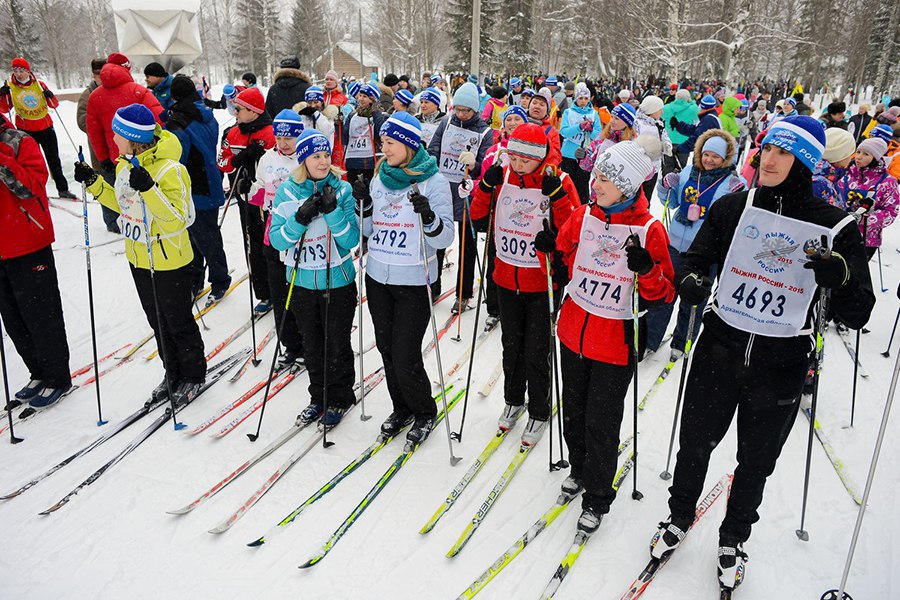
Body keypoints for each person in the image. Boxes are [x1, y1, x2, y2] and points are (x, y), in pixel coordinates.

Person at [647, 116, 875, 594]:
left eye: (782, 153)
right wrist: (690, 278)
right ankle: (679, 515)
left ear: (805, 162)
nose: (767, 160)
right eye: (766, 148)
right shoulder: (734, 205)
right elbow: (697, 257)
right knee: (695, 442)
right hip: (720, 346)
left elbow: (859, 310)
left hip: (781, 363)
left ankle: (732, 538)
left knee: (756, 460)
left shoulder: (834, 225)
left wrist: (841, 277)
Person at [555, 134, 674, 534]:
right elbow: (564, 253)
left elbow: (663, 293)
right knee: (573, 411)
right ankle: (579, 469)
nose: (596, 183)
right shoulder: (583, 214)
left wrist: (647, 269)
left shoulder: (649, 229)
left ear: (627, 186)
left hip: (615, 342)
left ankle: (598, 496)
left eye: (606, 179)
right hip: (573, 330)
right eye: (598, 175)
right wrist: (552, 254)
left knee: (601, 421)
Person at [74, 104, 206, 406]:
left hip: (170, 260)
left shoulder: (171, 170)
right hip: (139, 258)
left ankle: (194, 374)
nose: (113, 138)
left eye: (117, 133)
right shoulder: (123, 166)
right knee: (156, 321)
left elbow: (177, 218)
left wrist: (149, 188)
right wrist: (94, 183)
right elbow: (124, 206)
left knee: (178, 321)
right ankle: (172, 372)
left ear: (132, 137)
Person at [470, 123, 579, 445]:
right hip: (506, 276)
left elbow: (573, 225)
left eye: (524, 160)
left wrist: (555, 208)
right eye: (513, 158)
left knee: (537, 350)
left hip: (541, 280)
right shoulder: (501, 176)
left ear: (540, 158)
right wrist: (485, 188)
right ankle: (513, 400)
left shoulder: (558, 180)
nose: (517, 165)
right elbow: (478, 216)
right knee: (511, 347)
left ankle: (540, 409)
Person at [354, 112, 454, 444]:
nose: (383, 149)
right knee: (385, 348)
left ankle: (425, 410)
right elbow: (367, 231)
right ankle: (402, 407)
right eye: (382, 142)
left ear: (409, 145)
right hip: (378, 277)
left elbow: (444, 238)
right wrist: (364, 206)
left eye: (390, 143)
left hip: (414, 280)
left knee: (405, 352)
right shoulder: (380, 176)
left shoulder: (433, 181)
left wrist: (428, 215)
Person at [269, 128, 359, 427]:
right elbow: (277, 240)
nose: (322, 162)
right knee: (312, 344)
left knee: (336, 342)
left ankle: (340, 396)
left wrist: (332, 212)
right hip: (302, 281)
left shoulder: (342, 189)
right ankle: (318, 397)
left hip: (338, 280)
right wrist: (299, 218)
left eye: (325, 156)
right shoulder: (287, 191)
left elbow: (351, 240)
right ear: (303, 159)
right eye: (314, 156)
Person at [645, 129, 746, 356]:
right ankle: (650, 340)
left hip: (705, 251)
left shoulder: (732, 182)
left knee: (692, 300)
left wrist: (740, 195)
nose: (709, 160)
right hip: (674, 245)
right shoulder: (689, 171)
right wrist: (666, 185)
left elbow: (735, 218)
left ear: (725, 159)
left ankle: (682, 342)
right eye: (706, 154)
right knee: (664, 294)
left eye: (715, 156)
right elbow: (669, 203)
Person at [0, 112, 72, 408]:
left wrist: (3, 159)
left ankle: (58, 377)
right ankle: (38, 372)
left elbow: (31, 187)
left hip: (28, 241)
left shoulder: (19, 141)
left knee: (42, 314)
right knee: (14, 319)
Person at [164, 75, 231, 306]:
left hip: (194, 187)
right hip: (208, 180)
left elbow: (175, 159)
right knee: (202, 236)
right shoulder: (205, 114)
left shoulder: (178, 124)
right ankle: (198, 278)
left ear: (174, 97)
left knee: (201, 237)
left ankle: (218, 279)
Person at [427, 82, 494, 309]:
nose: (462, 114)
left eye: (466, 110)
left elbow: (485, 165)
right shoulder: (446, 123)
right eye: (458, 109)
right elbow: (433, 149)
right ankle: (432, 286)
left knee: (466, 245)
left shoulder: (484, 131)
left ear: (475, 110)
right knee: (437, 240)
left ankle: (463, 294)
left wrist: (474, 164)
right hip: (443, 189)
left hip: (466, 192)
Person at [251, 109, 307, 371]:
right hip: (272, 235)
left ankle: (308, 345)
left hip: (300, 237)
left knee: (299, 295)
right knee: (279, 293)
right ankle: (290, 344)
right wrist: (250, 194)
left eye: (290, 137)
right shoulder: (266, 159)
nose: (284, 143)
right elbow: (258, 191)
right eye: (280, 136)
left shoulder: (305, 159)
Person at [87, 52, 164, 233]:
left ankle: (119, 222)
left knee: (119, 191)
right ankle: (145, 220)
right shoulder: (137, 90)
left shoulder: (95, 96)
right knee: (144, 190)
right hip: (143, 152)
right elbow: (159, 120)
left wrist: (103, 157)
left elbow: (94, 131)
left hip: (117, 155)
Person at [217, 86, 276, 314]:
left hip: (268, 200)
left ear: (254, 111)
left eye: (239, 108)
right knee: (252, 246)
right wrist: (239, 158)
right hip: (245, 198)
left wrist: (262, 157)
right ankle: (264, 293)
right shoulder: (232, 133)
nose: (235, 112)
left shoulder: (271, 133)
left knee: (271, 245)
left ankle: (280, 288)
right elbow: (222, 162)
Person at [0, 58, 76, 199]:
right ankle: (36, 191)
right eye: (15, 71)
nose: (19, 74)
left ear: (28, 71)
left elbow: (54, 105)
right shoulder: (11, 87)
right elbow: (4, 109)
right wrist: (2, 95)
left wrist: (50, 95)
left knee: (54, 159)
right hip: (26, 131)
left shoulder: (39, 85)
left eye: (22, 71)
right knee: (33, 164)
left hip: (45, 127)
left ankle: (63, 189)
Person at [833, 135, 899, 260]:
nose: (859, 157)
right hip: (841, 233)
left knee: (854, 275)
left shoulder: (887, 182)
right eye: (858, 152)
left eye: (866, 154)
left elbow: (891, 212)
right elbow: (835, 200)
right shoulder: (847, 175)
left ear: (876, 157)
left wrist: (866, 219)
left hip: (867, 240)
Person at [559, 82, 602, 203]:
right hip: (568, 154)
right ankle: (567, 206)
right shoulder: (568, 112)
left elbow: (599, 135)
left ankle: (582, 209)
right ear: (576, 98)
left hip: (585, 155)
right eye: (580, 98)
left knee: (582, 185)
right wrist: (579, 127)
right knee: (568, 183)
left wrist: (591, 129)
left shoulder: (594, 114)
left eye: (586, 98)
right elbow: (564, 132)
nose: (583, 101)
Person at [342, 83, 387, 184]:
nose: (361, 99)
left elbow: (380, 134)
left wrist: (376, 111)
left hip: (369, 161)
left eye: (365, 96)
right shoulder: (352, 115)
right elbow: (344, 138)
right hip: (352, 160)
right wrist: (338, 124)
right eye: (360, 96)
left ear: (372, 99)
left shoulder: (378, 114)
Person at [579, 103, 636, 174]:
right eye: (611, 117)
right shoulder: (604, 136)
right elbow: (588, 165)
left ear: (627, 122)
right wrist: (583, 157)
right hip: (598, 182)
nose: (612, 121)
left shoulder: (634, 143)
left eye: (616, 118)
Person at [634, 95, 672, 198]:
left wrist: (665, 146)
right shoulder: (637, 124)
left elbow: (667, 141)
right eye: (660, 109)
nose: (662, 112)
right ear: (652, 110)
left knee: (647, 197)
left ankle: (645, 211)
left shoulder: (658, 125)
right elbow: (633, 144)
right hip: (638, 167)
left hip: (654, 168)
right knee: (635, 197)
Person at [812, 127, 857, 208]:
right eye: (850, 154)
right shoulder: (821, 183)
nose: (852, 158)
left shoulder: (830, 176)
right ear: (841, 156)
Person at [77, 58, 106, 171]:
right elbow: (82, 120)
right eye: (99, 75)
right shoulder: (87, 95)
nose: (102, 78)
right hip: (99, 147)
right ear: (94, 76)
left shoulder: (114, 90)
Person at [662, 88, 699, 172]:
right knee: (681, 166)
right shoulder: (692, 109)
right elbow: (698, 112)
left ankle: (666, 182)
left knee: (668, 165)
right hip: (684, 141)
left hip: (669, 139)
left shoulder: (667, 108)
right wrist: (691, 102)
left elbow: (662, 116)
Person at [526, 88, 562, 157]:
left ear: (547, 111)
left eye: (542, 105)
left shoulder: (552, 132)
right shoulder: (519, 122)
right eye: (534, 103)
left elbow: (556, 156)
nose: (537, 106)